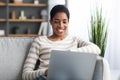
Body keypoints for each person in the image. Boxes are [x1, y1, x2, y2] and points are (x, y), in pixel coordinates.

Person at [22, 5, 100, 80]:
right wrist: (45, 72)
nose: (61, 25)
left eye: (64, 22)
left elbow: (96, 49)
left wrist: (69, 53)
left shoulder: (75, 39)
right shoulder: (39, 41)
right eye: (56, 22)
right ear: (51, 22)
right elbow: (25, 75)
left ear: (68, 22)